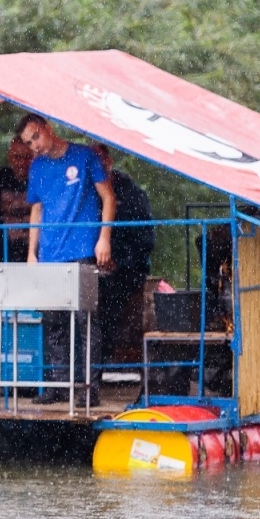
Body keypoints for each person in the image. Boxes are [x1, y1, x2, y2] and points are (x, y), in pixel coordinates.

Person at [20, 114, 116, 402]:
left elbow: (108, 197)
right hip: (50, 254)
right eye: (28, 143)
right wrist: (31, 254)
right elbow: (36, 210)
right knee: (54, 323)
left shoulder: (84, 156)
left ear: (48, 129)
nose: (34, 146)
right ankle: (59, 385)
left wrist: (104, 237)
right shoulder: (36, 166)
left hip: (82, 251)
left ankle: (88, 389)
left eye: (36, 137)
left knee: (86, 321)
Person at [90, 143, 155, 365]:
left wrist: (119, 261)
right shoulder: (84, 190)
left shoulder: (131, 192)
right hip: (91, 264)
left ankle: (100, 362)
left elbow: (144, 238)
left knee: (109, 300)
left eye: (100, 162)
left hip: (126, 267)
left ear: (108, 162)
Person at [0, 119, 37, 262]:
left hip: (35, 247)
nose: (21, 162)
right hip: (5, 248)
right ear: (10, 156)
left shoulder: (39, 177)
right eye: (17, 157)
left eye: (26, 157)